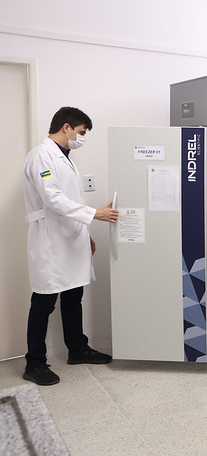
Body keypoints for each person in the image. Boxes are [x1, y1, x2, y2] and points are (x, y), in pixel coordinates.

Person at [22, 106, 119, 386]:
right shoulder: (41, 156)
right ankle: (34, 363)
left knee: (73, 295)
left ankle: (77, 349)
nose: (82, 138)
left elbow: (70, 199)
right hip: (50, 239)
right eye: (81, 132)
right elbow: (52, 198)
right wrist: (94, 214)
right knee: (43, 302)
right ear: (66, 127)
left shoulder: (64, 156)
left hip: (70, 236)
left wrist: (83, 233)